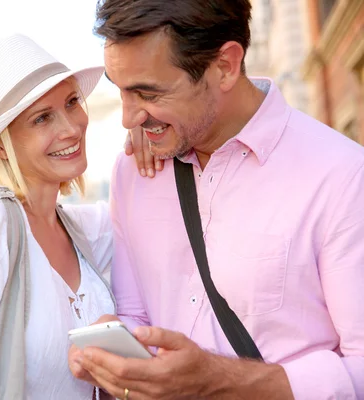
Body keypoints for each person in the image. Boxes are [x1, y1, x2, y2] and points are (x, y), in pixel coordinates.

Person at [69, 0, 364, 399]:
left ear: (224, 65)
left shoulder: (342, 175)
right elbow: (137, 317)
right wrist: (114, 356)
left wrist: (218, 380)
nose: (127, 117)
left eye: (147, 92)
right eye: (121, 90)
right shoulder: (134, 172)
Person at [0, 34, 152, 399]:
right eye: (42, 118)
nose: (70, 128)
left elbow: (152, 213)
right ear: (2, 144)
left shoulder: (81, 230)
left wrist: (147, 132)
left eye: (71, 102)